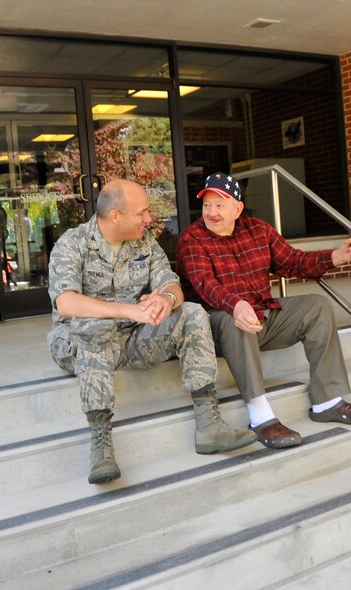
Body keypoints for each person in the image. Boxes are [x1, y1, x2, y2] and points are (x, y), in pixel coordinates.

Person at [47, 179, 257, 484]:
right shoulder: (73, 243)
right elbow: (66, 303)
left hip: (133, 339)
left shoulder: (144, 241)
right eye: (143, 213)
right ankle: (101, 443)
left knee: (192, 313)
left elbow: (172, 283)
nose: (149, 219)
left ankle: (208, 423)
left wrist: (166, 298)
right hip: (79, 343)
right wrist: (129, 310)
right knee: (93, 326)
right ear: (116, 215)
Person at [176, 172, 351, 450]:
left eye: (220, 205)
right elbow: (204, 285)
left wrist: (335, 257)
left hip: (263, 317)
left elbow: (294, 262)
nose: (212, 212)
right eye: (207, 205)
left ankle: (327, 401)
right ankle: (260, 415)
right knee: (235, 318)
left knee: (317, 306)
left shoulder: (258, 229)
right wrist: (236, 305)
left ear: (237, 208)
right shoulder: (192, 238)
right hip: (219, 329)